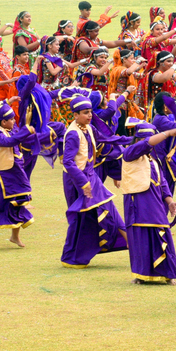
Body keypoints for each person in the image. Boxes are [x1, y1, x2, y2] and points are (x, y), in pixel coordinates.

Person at [60, 96, 129, 268]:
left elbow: (107, 138)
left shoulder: (88, 128)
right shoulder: (73, 134)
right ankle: (71, 257)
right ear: (75, 115)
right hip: (76, 180)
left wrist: (132, 141)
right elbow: (68, 162)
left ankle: (132, 245)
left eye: (90, 112)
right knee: (82, 218)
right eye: (85, 113)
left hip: (91, 177)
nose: (90, 115)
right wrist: (83, 183)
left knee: (109, 210)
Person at [121, 123, 176, 285]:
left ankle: (167, 274)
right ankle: (141, 274)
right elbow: (146, 144)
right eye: (145, 139)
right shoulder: (130, 153)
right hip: (137, 204)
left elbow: (162, 183)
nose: (150, 142)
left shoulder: (153, 160)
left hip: (155, 204)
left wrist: (169, 202)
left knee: (162, 234)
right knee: (140, 238)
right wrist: (167, 133)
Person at [0, 103, 37, 249]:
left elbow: (19, 137)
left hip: (13, 172)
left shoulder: (10, 130)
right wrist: (26, 131)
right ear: (3, 121)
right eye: (11, 119)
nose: (13, 121)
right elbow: (9, 142)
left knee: (19, 200)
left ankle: (15, 236)